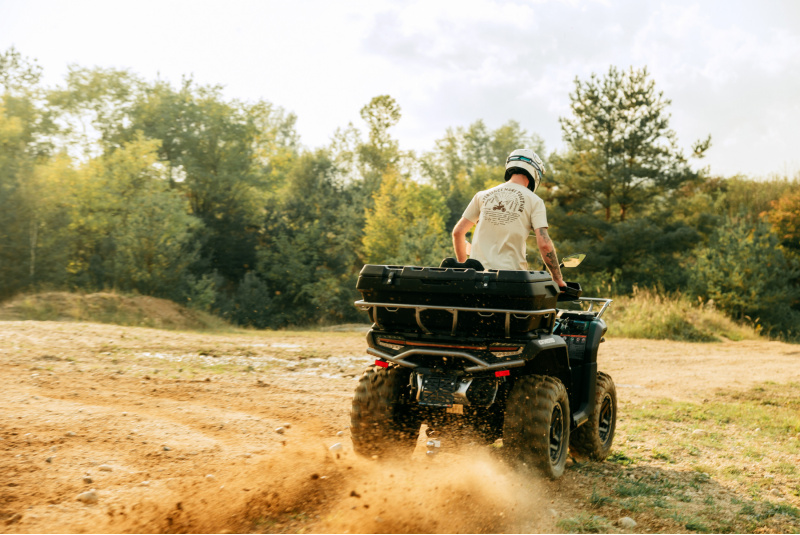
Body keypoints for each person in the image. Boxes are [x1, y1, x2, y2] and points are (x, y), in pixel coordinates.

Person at [451, 148, 566, 288]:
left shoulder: (482, 196)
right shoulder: (535, 201)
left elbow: (458, 233)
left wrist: (464, 269)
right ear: (535, 173)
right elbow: (544, 244)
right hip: (512, 281)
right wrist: (557, 279)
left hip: (477, 280)